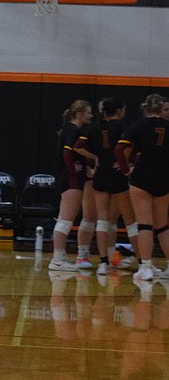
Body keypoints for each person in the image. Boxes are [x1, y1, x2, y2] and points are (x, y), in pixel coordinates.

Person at [116, 94, 169, 282]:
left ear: (146, 107)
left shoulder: (138, 125)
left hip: (142, 177)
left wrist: (125, 169)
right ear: (161, 108)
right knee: (163, 226)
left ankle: (146, 267)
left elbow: (119, 149)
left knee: (145, 225)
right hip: (164, 178)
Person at [81, 97, 136, 274]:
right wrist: (125, 163)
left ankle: (103, 263)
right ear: (119, 111)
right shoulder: (122, 126)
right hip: (117, 176)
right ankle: (144, 263)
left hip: (101, 174)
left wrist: (94, 157)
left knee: (102, 221)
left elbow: (77, 146)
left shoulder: (94, 127)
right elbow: (132, 147)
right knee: (130, 221)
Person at [48, 100, 97, 272]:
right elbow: (68, 151)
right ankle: (57, 260)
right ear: (80, 114)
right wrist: (73, 170)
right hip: (71, 180)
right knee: (65, 220)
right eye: (89, 112)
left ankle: (59, 257)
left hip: (68, 178)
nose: (91, 115)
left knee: (64, 219)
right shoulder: (73, 129)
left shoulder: (69, 129)